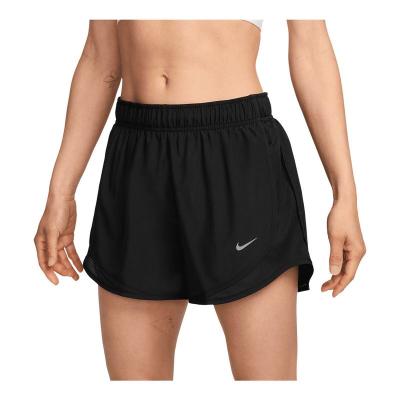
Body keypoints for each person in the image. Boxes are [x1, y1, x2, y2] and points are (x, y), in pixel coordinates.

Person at [34, 20, 366, 380]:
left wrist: (344, 194)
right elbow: (101, 55)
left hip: (234, 156)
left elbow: (311, 45)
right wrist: (61, 191)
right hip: (137, 158)